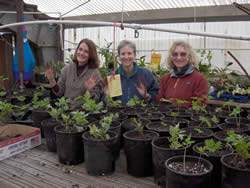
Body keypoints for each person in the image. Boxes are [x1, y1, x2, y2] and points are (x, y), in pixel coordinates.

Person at [46, 38, 103, 103]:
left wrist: (90, 91)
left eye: (86, 51)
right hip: (67, 109)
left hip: (84, 111)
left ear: (91, 55)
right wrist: (52, 80)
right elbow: (59, 93)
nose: (81, 53)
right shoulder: (67, 69)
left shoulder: (94, 73)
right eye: (80, 49)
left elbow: (97, 101)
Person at [104, 40, 159, 105]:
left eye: (129, 53)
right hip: (120, 113)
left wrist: (147, 96)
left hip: (141, 112)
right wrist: (107, 97)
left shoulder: (146, 74)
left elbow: (156, 95)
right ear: (119, 56)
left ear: (134, 56)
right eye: (123, 54)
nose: (126, 57)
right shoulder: (113, 76)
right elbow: (106, 104)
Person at [156, 40, 208, 107]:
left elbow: (200, 104)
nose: (179, 58)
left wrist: (176, 107)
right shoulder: (166, 78)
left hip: (188, 116)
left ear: (189, 56)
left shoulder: (199, 79)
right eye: (175, 54)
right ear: (171, 57)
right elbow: (160, 99)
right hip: (167, 116)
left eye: (183, 54)